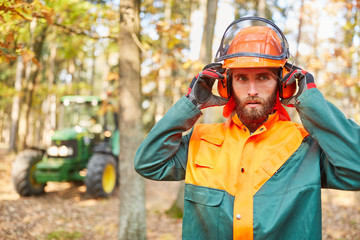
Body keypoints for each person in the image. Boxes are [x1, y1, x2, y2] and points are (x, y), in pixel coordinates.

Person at [134, 16, 360, 240]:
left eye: (263, 77)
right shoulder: (201, 141)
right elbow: (148, 163)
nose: (252, 90)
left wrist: (310, 102)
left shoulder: (305, 146)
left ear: (284, 85)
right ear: (227, 86)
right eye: (242, 78)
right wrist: (190, 104)